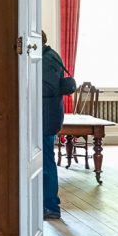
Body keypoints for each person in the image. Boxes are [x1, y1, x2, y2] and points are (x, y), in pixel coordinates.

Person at [41, 31, 76, 220]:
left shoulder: (47, 59)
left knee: (46, 163)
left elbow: (48, 87)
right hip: (48, 118)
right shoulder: (50, 56)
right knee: (46, 161)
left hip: (45, 119)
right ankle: (47, 203)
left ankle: (51, 206)